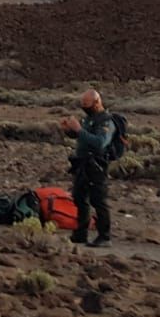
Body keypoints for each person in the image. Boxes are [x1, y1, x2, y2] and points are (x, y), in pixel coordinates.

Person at [61, 88, 114, 247]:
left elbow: (99, 142)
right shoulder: (88, 119)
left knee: (98, 200)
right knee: (79, 197)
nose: (83, 106)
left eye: (86, 103)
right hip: (82, 163)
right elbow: (83, 137)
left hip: (96, 165)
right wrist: (70, 131)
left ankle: (104, 236)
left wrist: (78, 130)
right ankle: (80, 233)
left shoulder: (106, 121)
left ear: (97, 102)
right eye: (82, 104)